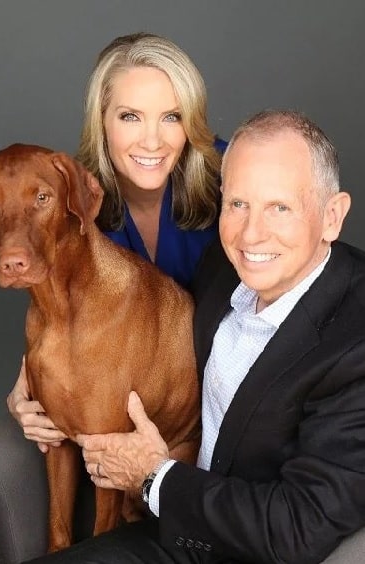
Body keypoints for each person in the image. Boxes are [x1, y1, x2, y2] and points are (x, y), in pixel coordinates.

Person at [26, 109, 365, 564]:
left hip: (251, 550)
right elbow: (127, 307)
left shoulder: (355, 341)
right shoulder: (225, 265)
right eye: (238, 204)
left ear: (332, 216)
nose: (251, 233)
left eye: (279, 207)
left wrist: (153, 476)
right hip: (173, 530)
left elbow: (298, 528)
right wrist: (32, 372)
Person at [7, 32, 226, 451]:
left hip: (224, 400)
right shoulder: (73, 199)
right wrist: (25, 386)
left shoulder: (232, 176)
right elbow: (62, 318)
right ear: (101, 119)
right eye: (130, 116)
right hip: (130, 408)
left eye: (171, 116)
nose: (152, 141)